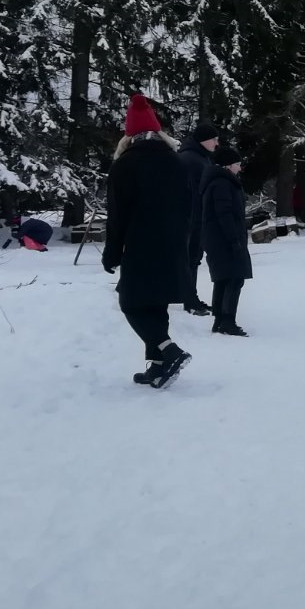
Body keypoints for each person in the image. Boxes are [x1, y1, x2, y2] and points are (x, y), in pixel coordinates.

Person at [103, 94, 194, 389]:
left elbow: (118, 216)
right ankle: (156, 368)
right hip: (174, 244)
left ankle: (169, 350)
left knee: (130, 302)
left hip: (141, 245)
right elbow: (190, 206)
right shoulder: (177, 163)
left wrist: (112, 254)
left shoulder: (125, 166)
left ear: (128, 137)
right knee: (156, 304)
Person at [202, 146, 253, 337]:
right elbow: (224, 214)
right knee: (234, 278)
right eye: (238, 164)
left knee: (224, 278)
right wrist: (234, 240)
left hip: (219, 239)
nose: (240, 168)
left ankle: (220, 320)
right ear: (228, 165)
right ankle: (227, 320)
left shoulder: (220, 182)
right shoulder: (222, 184)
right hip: (224, 239)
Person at [178, 122, 220, 316]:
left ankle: (191, 297)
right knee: (190, 259)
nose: (216, 144)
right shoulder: (192, 160)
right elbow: (194, 194)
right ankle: (189, 300)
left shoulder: (200, 158)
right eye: (214, 139)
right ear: (204, 140)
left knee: (193, 259)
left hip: (195, 217)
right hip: (191, 219)